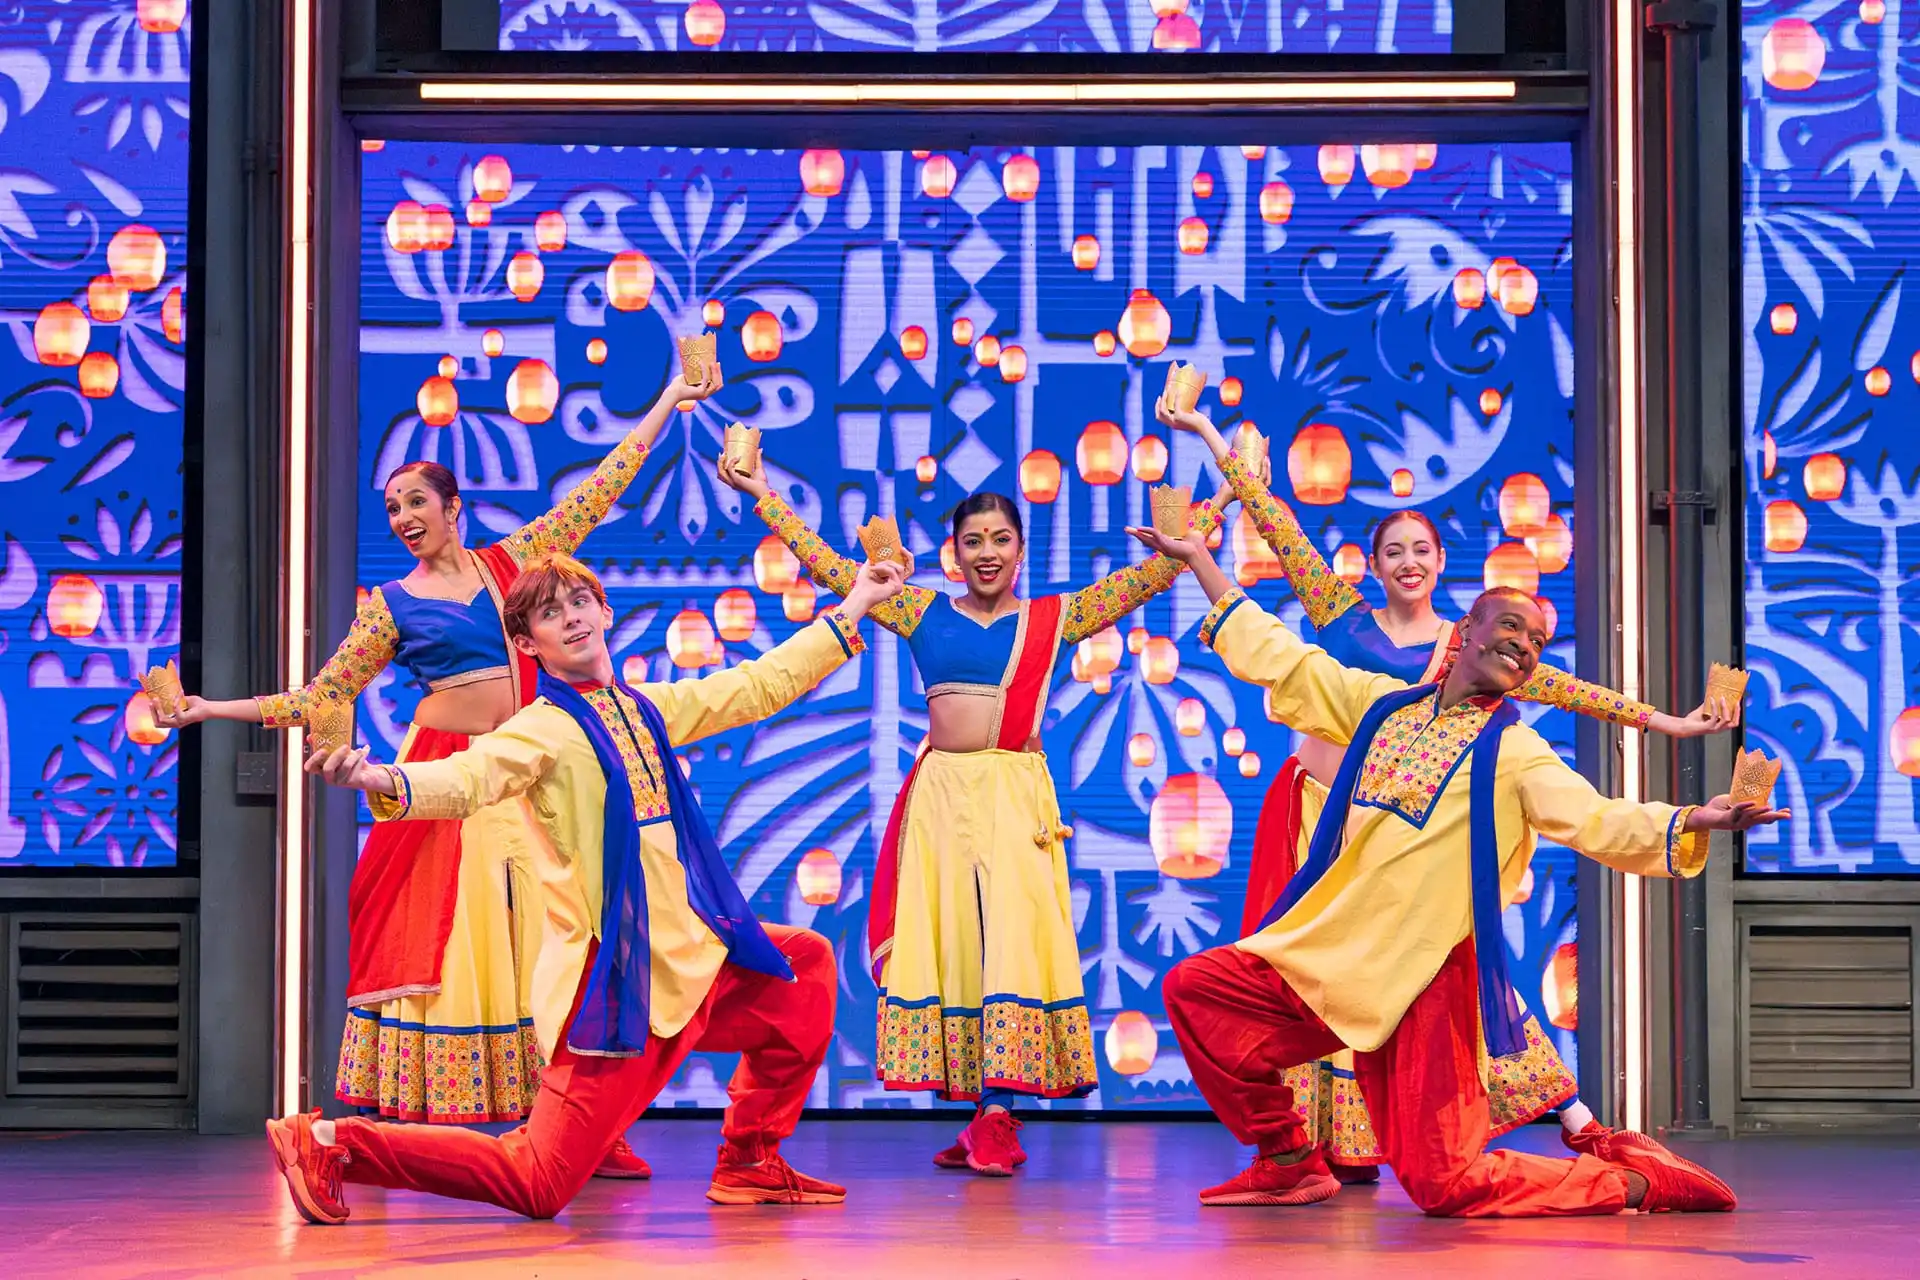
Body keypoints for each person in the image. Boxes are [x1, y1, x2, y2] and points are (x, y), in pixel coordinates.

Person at [1127, 520, 1784, 1215]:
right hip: (1329, 951)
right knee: (1197, 990)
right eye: (1509, 626)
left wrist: (1692, 819)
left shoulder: (1516, 755)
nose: (1523, 645)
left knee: (1446, 1186)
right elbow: (1286, 661)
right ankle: (1287, 1156)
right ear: (1465, 631)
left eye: (1535, 642)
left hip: (1421, 978)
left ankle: (1632, 1182)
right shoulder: (1383, 711)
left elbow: (1598, 819)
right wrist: (1200, 558)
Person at [163, 365, 724, 1175]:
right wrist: (213, 711)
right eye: (391, 508)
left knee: (562, 938)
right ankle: (462, 1127)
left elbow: (602, 490)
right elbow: (321, 695)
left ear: (454, 507)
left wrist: (669, 395)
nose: (402, 518)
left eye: (416, 502)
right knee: (464, 949)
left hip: (539, 769)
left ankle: (582, 1122)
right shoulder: (387, 605)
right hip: (452, 779)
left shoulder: (512, 563)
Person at [266, 551, 906, 1224]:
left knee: (803, 969)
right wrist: (382, 781)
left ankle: (749, 1159)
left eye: (578, 603)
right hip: (622, 987)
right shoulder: (541, 728)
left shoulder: (645, 708)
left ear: (604, 612)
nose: (569, 619)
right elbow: (470, 777)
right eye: (548, 613)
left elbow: (760, 683)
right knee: (538, 1182)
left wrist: (858, 600)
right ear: (524, 642)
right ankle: (336, 1144)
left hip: (693, 954)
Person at [719, 449, 1230, 1176]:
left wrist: (1227, 495)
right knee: (958, 945)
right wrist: (767, 497)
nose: (986, 553)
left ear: (1021, 549)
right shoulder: (922, 610)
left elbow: (1148, 577)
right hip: (942, 800)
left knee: (1012, 944)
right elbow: (836, 570)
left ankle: (999, 1112)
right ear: (952, 554)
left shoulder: (1054, 619)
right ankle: (980, 1113)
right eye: (972, 541)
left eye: (1000, 540)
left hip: (1017, 798)